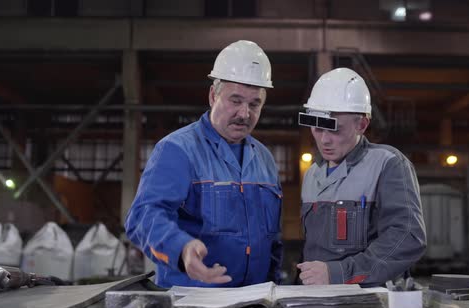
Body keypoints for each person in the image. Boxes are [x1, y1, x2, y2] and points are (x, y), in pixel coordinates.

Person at [125, 40, 283, 288]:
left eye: (254, 104)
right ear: (213, 95)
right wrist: (181, 248)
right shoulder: (177, 150)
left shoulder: (264, 159)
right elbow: (143, 217)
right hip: (193, 303)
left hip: (256, 302)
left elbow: (273, 240)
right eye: (235, 100)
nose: (244, 114)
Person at [297, 68, 426, 286]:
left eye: (334, 129)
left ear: (362, 125)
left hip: (371, 303)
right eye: (317, 128)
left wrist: (339, 273)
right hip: (316, 299)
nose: (325, 140)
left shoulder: (388, 164)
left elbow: (407, 237)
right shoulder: (312, 174)